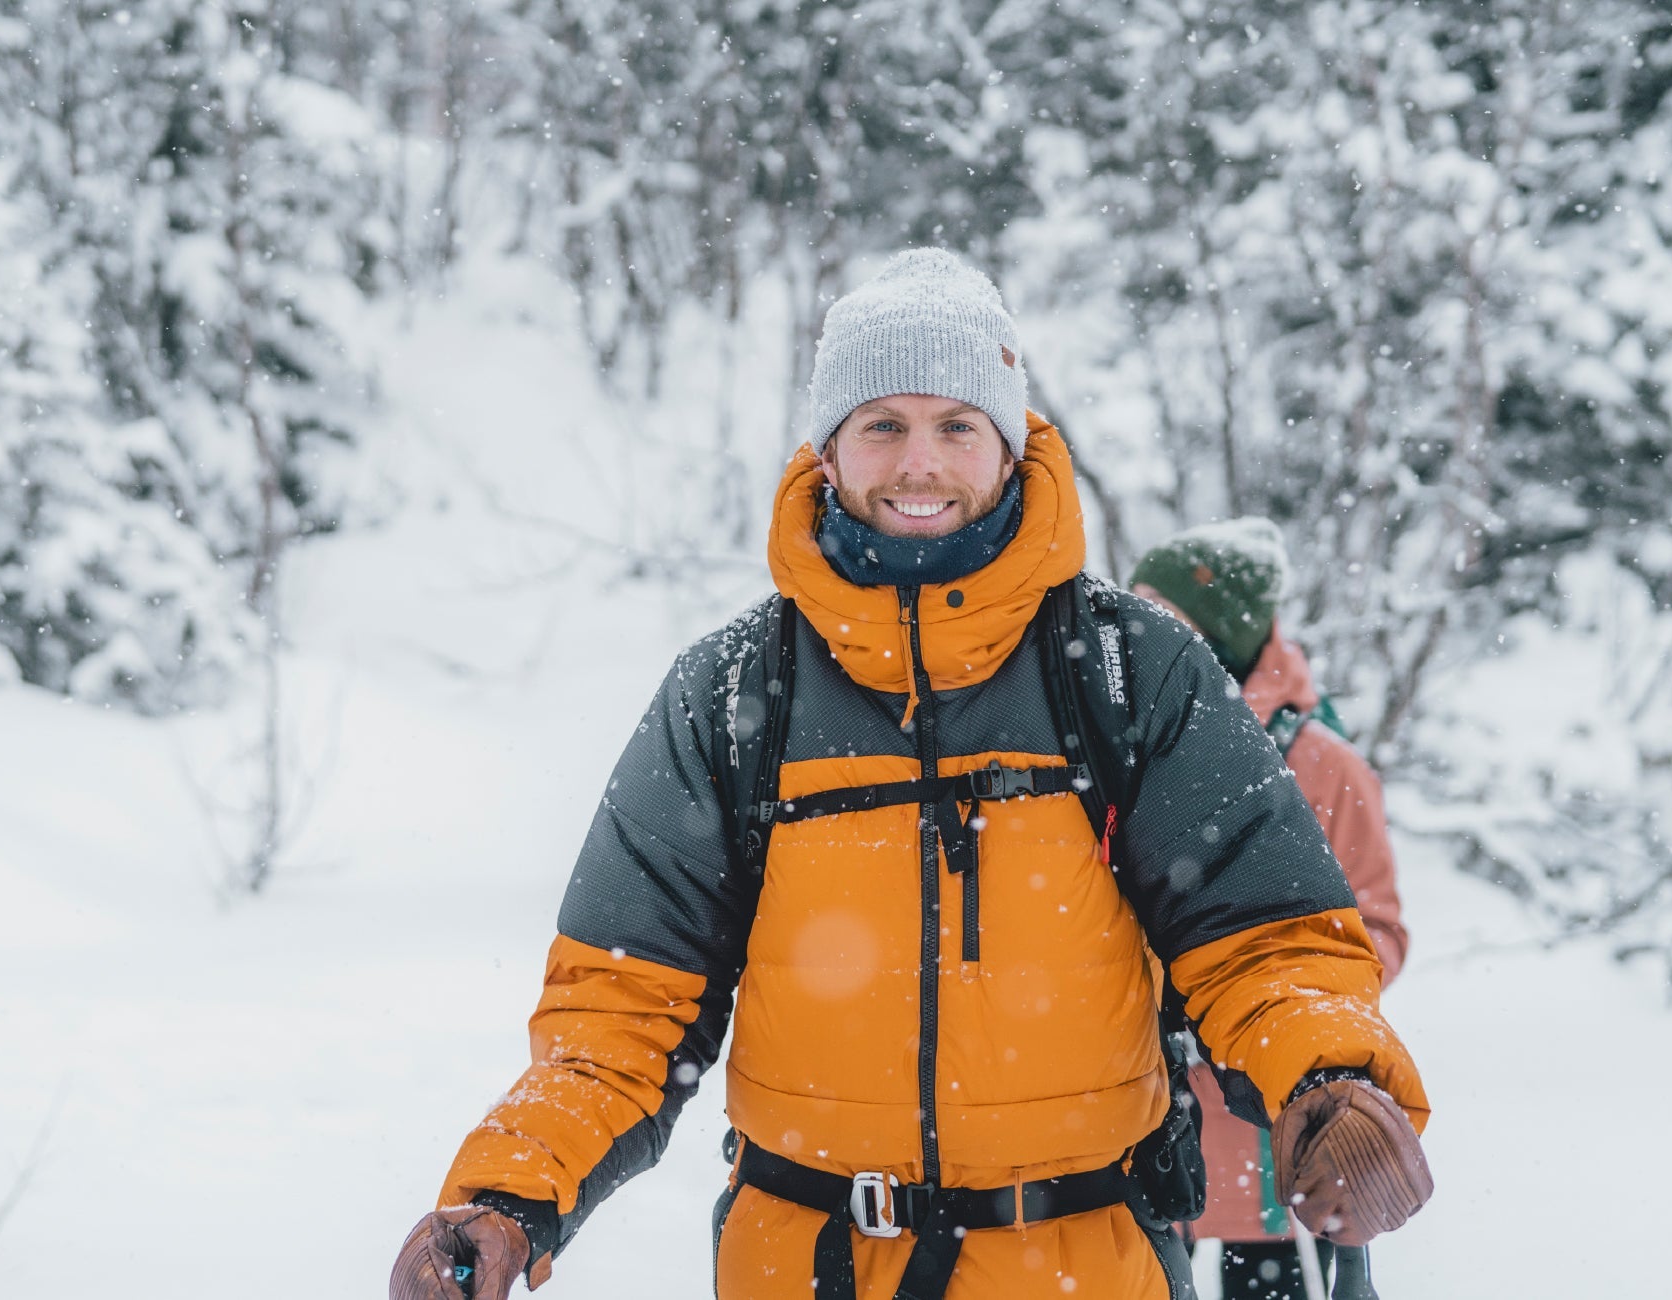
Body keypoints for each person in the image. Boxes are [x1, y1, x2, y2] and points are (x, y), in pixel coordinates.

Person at [389, 250, 1432, 1300]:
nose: (917, 463)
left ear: (1009, 442)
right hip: (803, 1266)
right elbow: (620, 1004)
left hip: (1082, 1262)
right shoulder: (734, 693)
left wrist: (1329, 1078)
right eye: (880, 424)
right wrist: (509, 1192)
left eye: (954, 424)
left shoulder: (1128, 672)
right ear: (830, 451)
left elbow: (1268, 940)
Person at [1129, 521, 1411, 1300]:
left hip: (1267, 1103)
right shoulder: (1127, 740)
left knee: (1270, 1281)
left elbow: (1377, 928)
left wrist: (1275, 989)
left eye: (1167, 613)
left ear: (1221, 631)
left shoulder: (1324, 762)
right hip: (1150, 1106)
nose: (1142, 629)